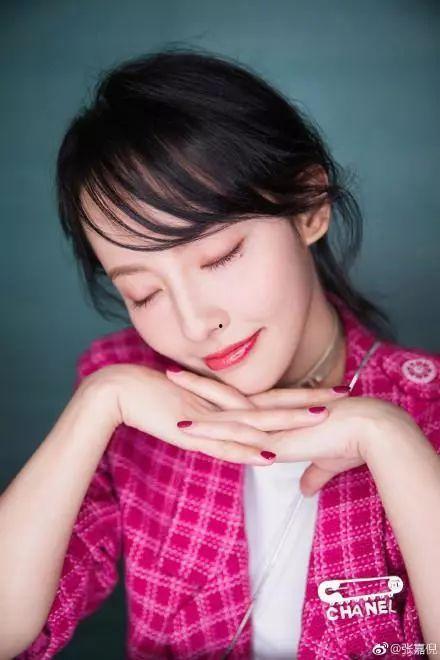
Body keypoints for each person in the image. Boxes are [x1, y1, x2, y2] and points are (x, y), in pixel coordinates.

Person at [2, 48, 439, 659]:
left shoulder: (426, 402)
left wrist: (391, 441)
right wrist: (98, 402)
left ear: (309, 206)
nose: (195, 323)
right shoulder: (129, 397)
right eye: (144, 292)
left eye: (219, 257)